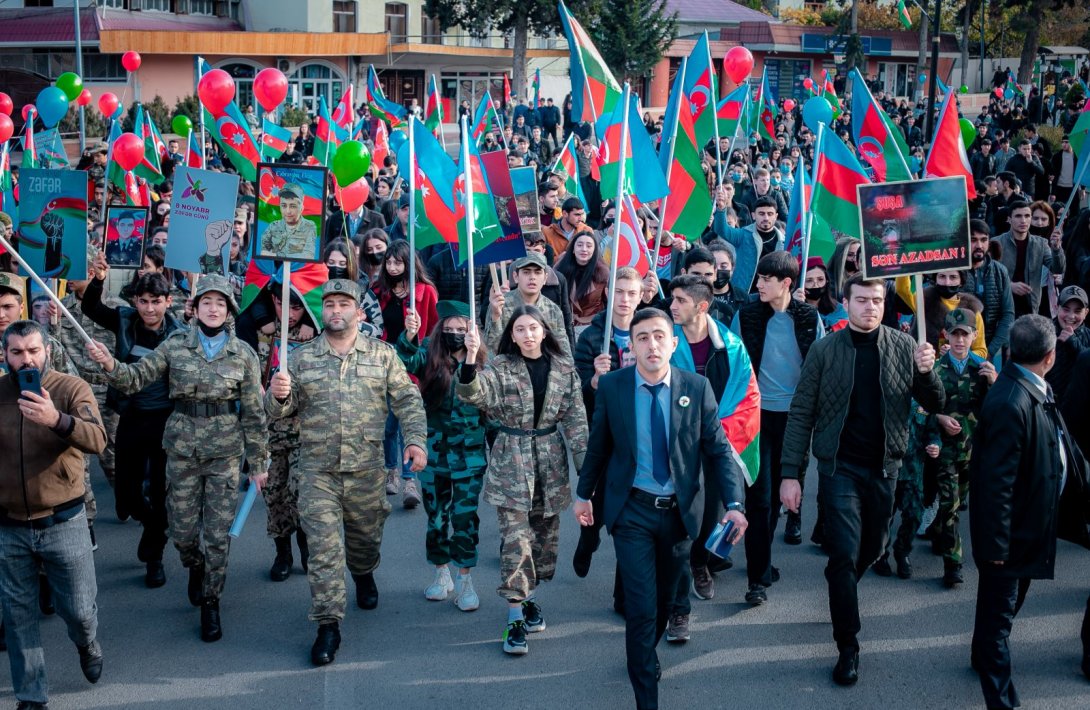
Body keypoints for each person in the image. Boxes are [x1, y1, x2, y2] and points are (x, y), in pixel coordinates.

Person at [573, 307, 748, 710]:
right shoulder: (614, 387)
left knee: (665, 603)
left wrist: (735, 504)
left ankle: (642, 653)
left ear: (673, 343)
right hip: (631, 510)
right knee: (639, 607)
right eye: (642, 338)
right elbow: (598, 446)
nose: (652, 345)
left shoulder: (697, 387)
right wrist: (583, 495)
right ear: (630, 347)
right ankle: (645, 693)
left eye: (659, 336)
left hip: (679, 513)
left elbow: (719, 449)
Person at [780, 274, 943, 686]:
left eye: (876, 301)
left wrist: (927, 373)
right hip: (839, 468)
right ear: (846, 303)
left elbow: (935, 402)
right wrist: (790, 476)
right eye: (861, 300)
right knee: (843, 555)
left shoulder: (905, 346)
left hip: (885, 467)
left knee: (873, 547)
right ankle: (848, 647)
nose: (870, 307)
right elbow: (801, 413)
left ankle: (844, 578)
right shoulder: (824, 350)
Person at [88, 276, 268, 643]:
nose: (213, 308)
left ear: (229, 310)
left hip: (225, 453)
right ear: (195, 308)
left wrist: (260, 463)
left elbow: (253, 412)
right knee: (184, 533)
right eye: (206, 302)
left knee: (217, 535)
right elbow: (136, 377)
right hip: (183, 450)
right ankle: (195, 566)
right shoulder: (175, 346)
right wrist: (109, 364)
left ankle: (211, 602)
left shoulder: (244, 355)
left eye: (220, 302)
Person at [266, 279, 428, 667]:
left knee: (364, 540)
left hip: (367, 471)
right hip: (317, 472)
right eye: (329, 304)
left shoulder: (383, 356)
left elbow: (406, 399)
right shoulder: (300, 359)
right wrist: (277, 394)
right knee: (323, 551)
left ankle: (364, 571)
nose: (335, 310)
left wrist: (415, 440)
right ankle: (328, 624)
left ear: (359, 312)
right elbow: (278, 415)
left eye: (344, 304)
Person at [970, 314, 1090, 709]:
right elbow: (995, 487)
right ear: (1050, 357)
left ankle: (981, 654)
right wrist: (997, 550)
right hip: (1011, 541)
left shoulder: (1034, 388)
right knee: (997, 627)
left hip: (1029, 531)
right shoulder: (1010, 402)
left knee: (1003, 611)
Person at [459, 305, 588, 655]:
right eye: (520, 329)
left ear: (544, 331)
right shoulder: (500, 367)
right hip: (511, 461)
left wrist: (587, 475)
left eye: (533, 327)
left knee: (544, 543)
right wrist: (471, 359)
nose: (528, 334)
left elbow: (576, 421)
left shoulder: (564, 369)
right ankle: (515, 615)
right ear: (512, 335)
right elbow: (474, 394)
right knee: (517, 540)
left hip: (550, 461)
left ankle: (529, 596)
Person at [0, 320, 107, 709]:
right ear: (5, 355)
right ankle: (31, 697)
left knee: (78, 610)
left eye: (33, 350)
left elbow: (97, 439)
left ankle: (87, 641)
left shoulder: (69, 388)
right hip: (10, 525)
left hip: (64, 520)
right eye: (17, 352)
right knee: (17, 616)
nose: (26, 359)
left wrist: (55, 419)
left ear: (46, 350)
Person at [664, 275, 758, 640]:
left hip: (719, 441)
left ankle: (701, 563)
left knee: (711, 515)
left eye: (680, 300)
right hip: (676, 443)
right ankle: (679, 590)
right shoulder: (667, 342)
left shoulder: (731, 348)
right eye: (672, 299)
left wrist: (713, 429)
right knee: (678, 517)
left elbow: (748, 395)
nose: (672, 306)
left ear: (702, 307)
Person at [81, 254, 185, 583]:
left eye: (156, 302)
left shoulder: (180, 336)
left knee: (159, 491)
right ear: (135, 301)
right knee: (125, 495)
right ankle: (153, 525)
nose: (149, 309)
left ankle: (154, 556)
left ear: (168, 302)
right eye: (143, 301)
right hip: (131, 417)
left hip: (166, 421)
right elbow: (91, 309)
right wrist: (98, 279)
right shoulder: (125, 319)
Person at [732, 251, 822, 603]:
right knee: (759, 498)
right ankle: (757, 579)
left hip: (796, 419)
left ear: (786, 283)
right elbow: (736, 363)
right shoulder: (747, 314)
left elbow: (818, 368)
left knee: (785, 493)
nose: (759, 285)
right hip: (756, 417)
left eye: (766, 280)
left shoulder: (809, 318)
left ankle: (765, 558)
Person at [396, 301, 488, 611]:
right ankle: (441, 573)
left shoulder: (482, 366)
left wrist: (472, 358)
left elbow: (491, 412)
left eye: (460, 330)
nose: (453, 335)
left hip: (469, 458)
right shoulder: (429, 357)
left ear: (471, 333)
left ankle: (465, 580)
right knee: (436, 519)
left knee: (464, 520)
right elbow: (406, 359)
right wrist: (408, 335)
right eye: (448, 329)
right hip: (434, 455)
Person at [571, 267, 643, 588]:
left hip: (638, 438)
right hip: (601, 433)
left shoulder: (648, 334)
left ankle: (624, 591)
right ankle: (588, 540)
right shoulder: (591, 338)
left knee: (629, 516)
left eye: (632, 293)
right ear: (608, 294)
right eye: (619, 292)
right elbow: (579, 389)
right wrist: (595, 381)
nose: (625, 299)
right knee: (596, 508)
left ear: (641, 296)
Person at [928, 308, 997, 588]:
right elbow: (920, 409)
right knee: (950, 505)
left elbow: (999, 411)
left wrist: (994, 384)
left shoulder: (983, 369)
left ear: (974, 336)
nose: (959, 341)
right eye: (954, 334)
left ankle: (937, 532)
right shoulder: (935, 369)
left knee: (958, 501)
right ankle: (952, 564)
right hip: (944, 449)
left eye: (964, 335)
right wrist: (938, 418)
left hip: (972, 450)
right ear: (946, 335)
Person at [374, 239, 438, 508]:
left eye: (397, 261)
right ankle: (391, 469)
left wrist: (422, 351)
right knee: (387, 423)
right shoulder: (379, 291)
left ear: (408, 263)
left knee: (407, 421)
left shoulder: (425, 292)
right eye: (388, 261)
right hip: (384, 362)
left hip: (413, 364)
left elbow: (435, 331)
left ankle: (409, 478)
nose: (392, 266)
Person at [486, 252, 573, 356]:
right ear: (516, 276)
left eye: (537, 272)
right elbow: (492, 350)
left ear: (545, 278)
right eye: (526, 272)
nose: (532, 277)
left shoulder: (553, 309)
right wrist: (495, 316)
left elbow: (563, 351)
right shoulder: (501, 304)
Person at [995, 200, 1065, 317]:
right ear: (1009, 219)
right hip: (1002, 304)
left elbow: (1057, 269)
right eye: (1018, 216)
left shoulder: (1041, 243)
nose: (1023, 220)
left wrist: (1056, 249)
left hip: (1030, 305)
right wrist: (1009, 285)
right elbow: (989, 274)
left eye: (1027, 216)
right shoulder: (997, 242)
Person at [962, 219, 1015, 360]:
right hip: (959, 346)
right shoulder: (954, 273)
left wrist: (990, 351)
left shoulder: (1000, 271)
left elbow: (1008, 314)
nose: (979, 245)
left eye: (983, 240)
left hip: (993, 348)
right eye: (973, 240)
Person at [713, 193, 784, 295]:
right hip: (743, 294)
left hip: (772, 295)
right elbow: (721, 229)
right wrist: (721, 208)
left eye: (770, 214)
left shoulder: (783, 241)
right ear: (753, 215)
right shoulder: (743, 235)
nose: (766, 218)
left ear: (776, 216)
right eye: (761, 213)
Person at [554, 231, 609, 337]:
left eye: (589, 246)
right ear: (573, 249)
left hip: (592, 326)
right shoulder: (560, 270)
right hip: (564, 326)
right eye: (579, 245)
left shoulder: (602, 274)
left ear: (594, 250)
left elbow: (609, 304)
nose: (584, 249)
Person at [1046, 285, 1090, 404]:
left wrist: (1074, 342)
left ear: (1086, 312)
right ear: (1056, 308)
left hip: (1079, 408)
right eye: (1066, 309)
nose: (1071, 316)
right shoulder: (1043, 333)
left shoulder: (1088, 336)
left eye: (1078, 311)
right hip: (1049, 404)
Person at [259, 183, 318, 261]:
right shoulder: (273, 226)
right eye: (284, 205)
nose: (288, 211)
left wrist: (277, 255)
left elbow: (308, 256)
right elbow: (263, 253)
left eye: (293, 206)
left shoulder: (309, 226)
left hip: (297, 270)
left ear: (301, 208)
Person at [800, 258, 848, 331]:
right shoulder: (791, 310)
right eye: (809, 280)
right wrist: (795, 305)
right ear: (801, 283)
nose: (816, 285)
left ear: (827, 281)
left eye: (820, 279)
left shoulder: (840, 310)